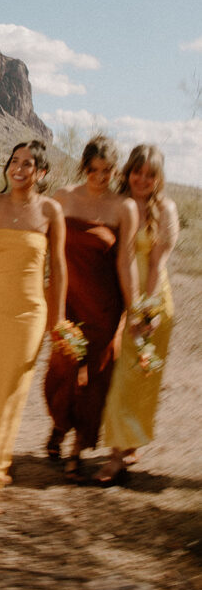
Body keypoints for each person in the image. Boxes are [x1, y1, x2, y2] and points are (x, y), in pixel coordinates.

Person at [0, 140, 66, 520]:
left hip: (31, 313)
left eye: (28, 164)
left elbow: (59, 268)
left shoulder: (52, 210)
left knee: (11, 396)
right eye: (15, 162)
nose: (19, 169)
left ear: (42, 172)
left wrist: (59, 318)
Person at [44, 135, 138, 479]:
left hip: (104, 304)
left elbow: (126, 260)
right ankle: (59, 425)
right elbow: (44, 249)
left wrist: (135, 307)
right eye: (94, 169)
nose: (101, 176)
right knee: (61, 369)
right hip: (67, 299)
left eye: (108, 170)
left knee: (96, 379)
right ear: (84, 167)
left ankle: (77, 449)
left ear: (116, 170)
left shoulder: (123, 207)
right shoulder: (63, 198)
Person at [96, 144, 179, 483]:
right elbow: (121, 258)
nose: (142, 179)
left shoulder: (166, 209)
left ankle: (122, 450)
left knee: (142, 377)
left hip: (154, 300)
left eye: (150, 174)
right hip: (124, 300)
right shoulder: (119, 205)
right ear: (127, 172)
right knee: (122, 376)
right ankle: (122, 448)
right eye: (137, 172)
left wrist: (145, 311)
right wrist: (130, 309)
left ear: (158, 178)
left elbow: (157, 263)